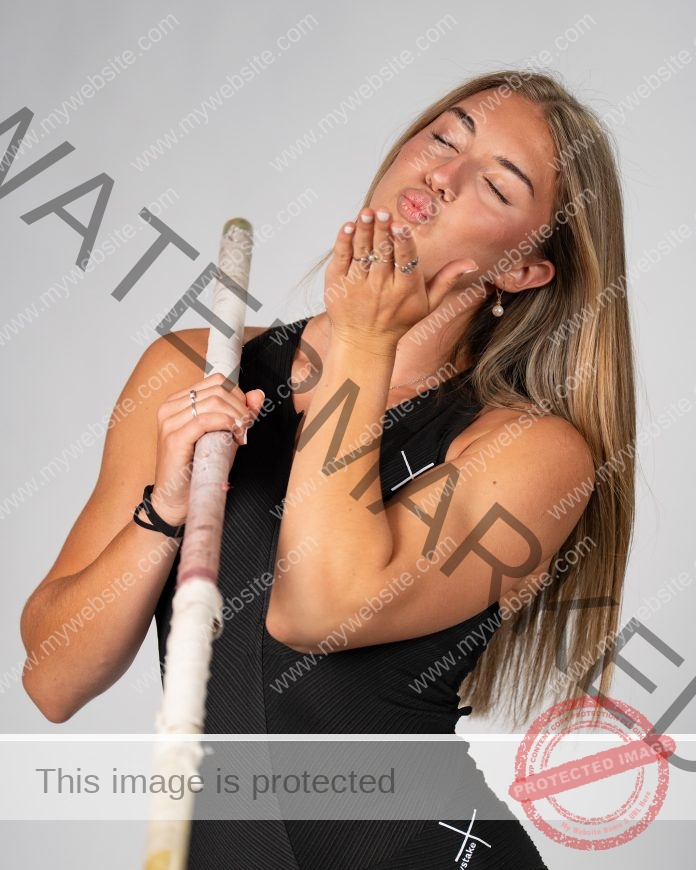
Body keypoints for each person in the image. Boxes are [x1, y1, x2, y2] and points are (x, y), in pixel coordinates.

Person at [21, 69, 636, 868]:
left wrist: (363, 342)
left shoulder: (532, 452)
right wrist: (165, 508)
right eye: (443, 138)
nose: (441, 176)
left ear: (524, 269)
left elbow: (316, 607)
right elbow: (52, 680)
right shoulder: (194, 370)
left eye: (496, 184)